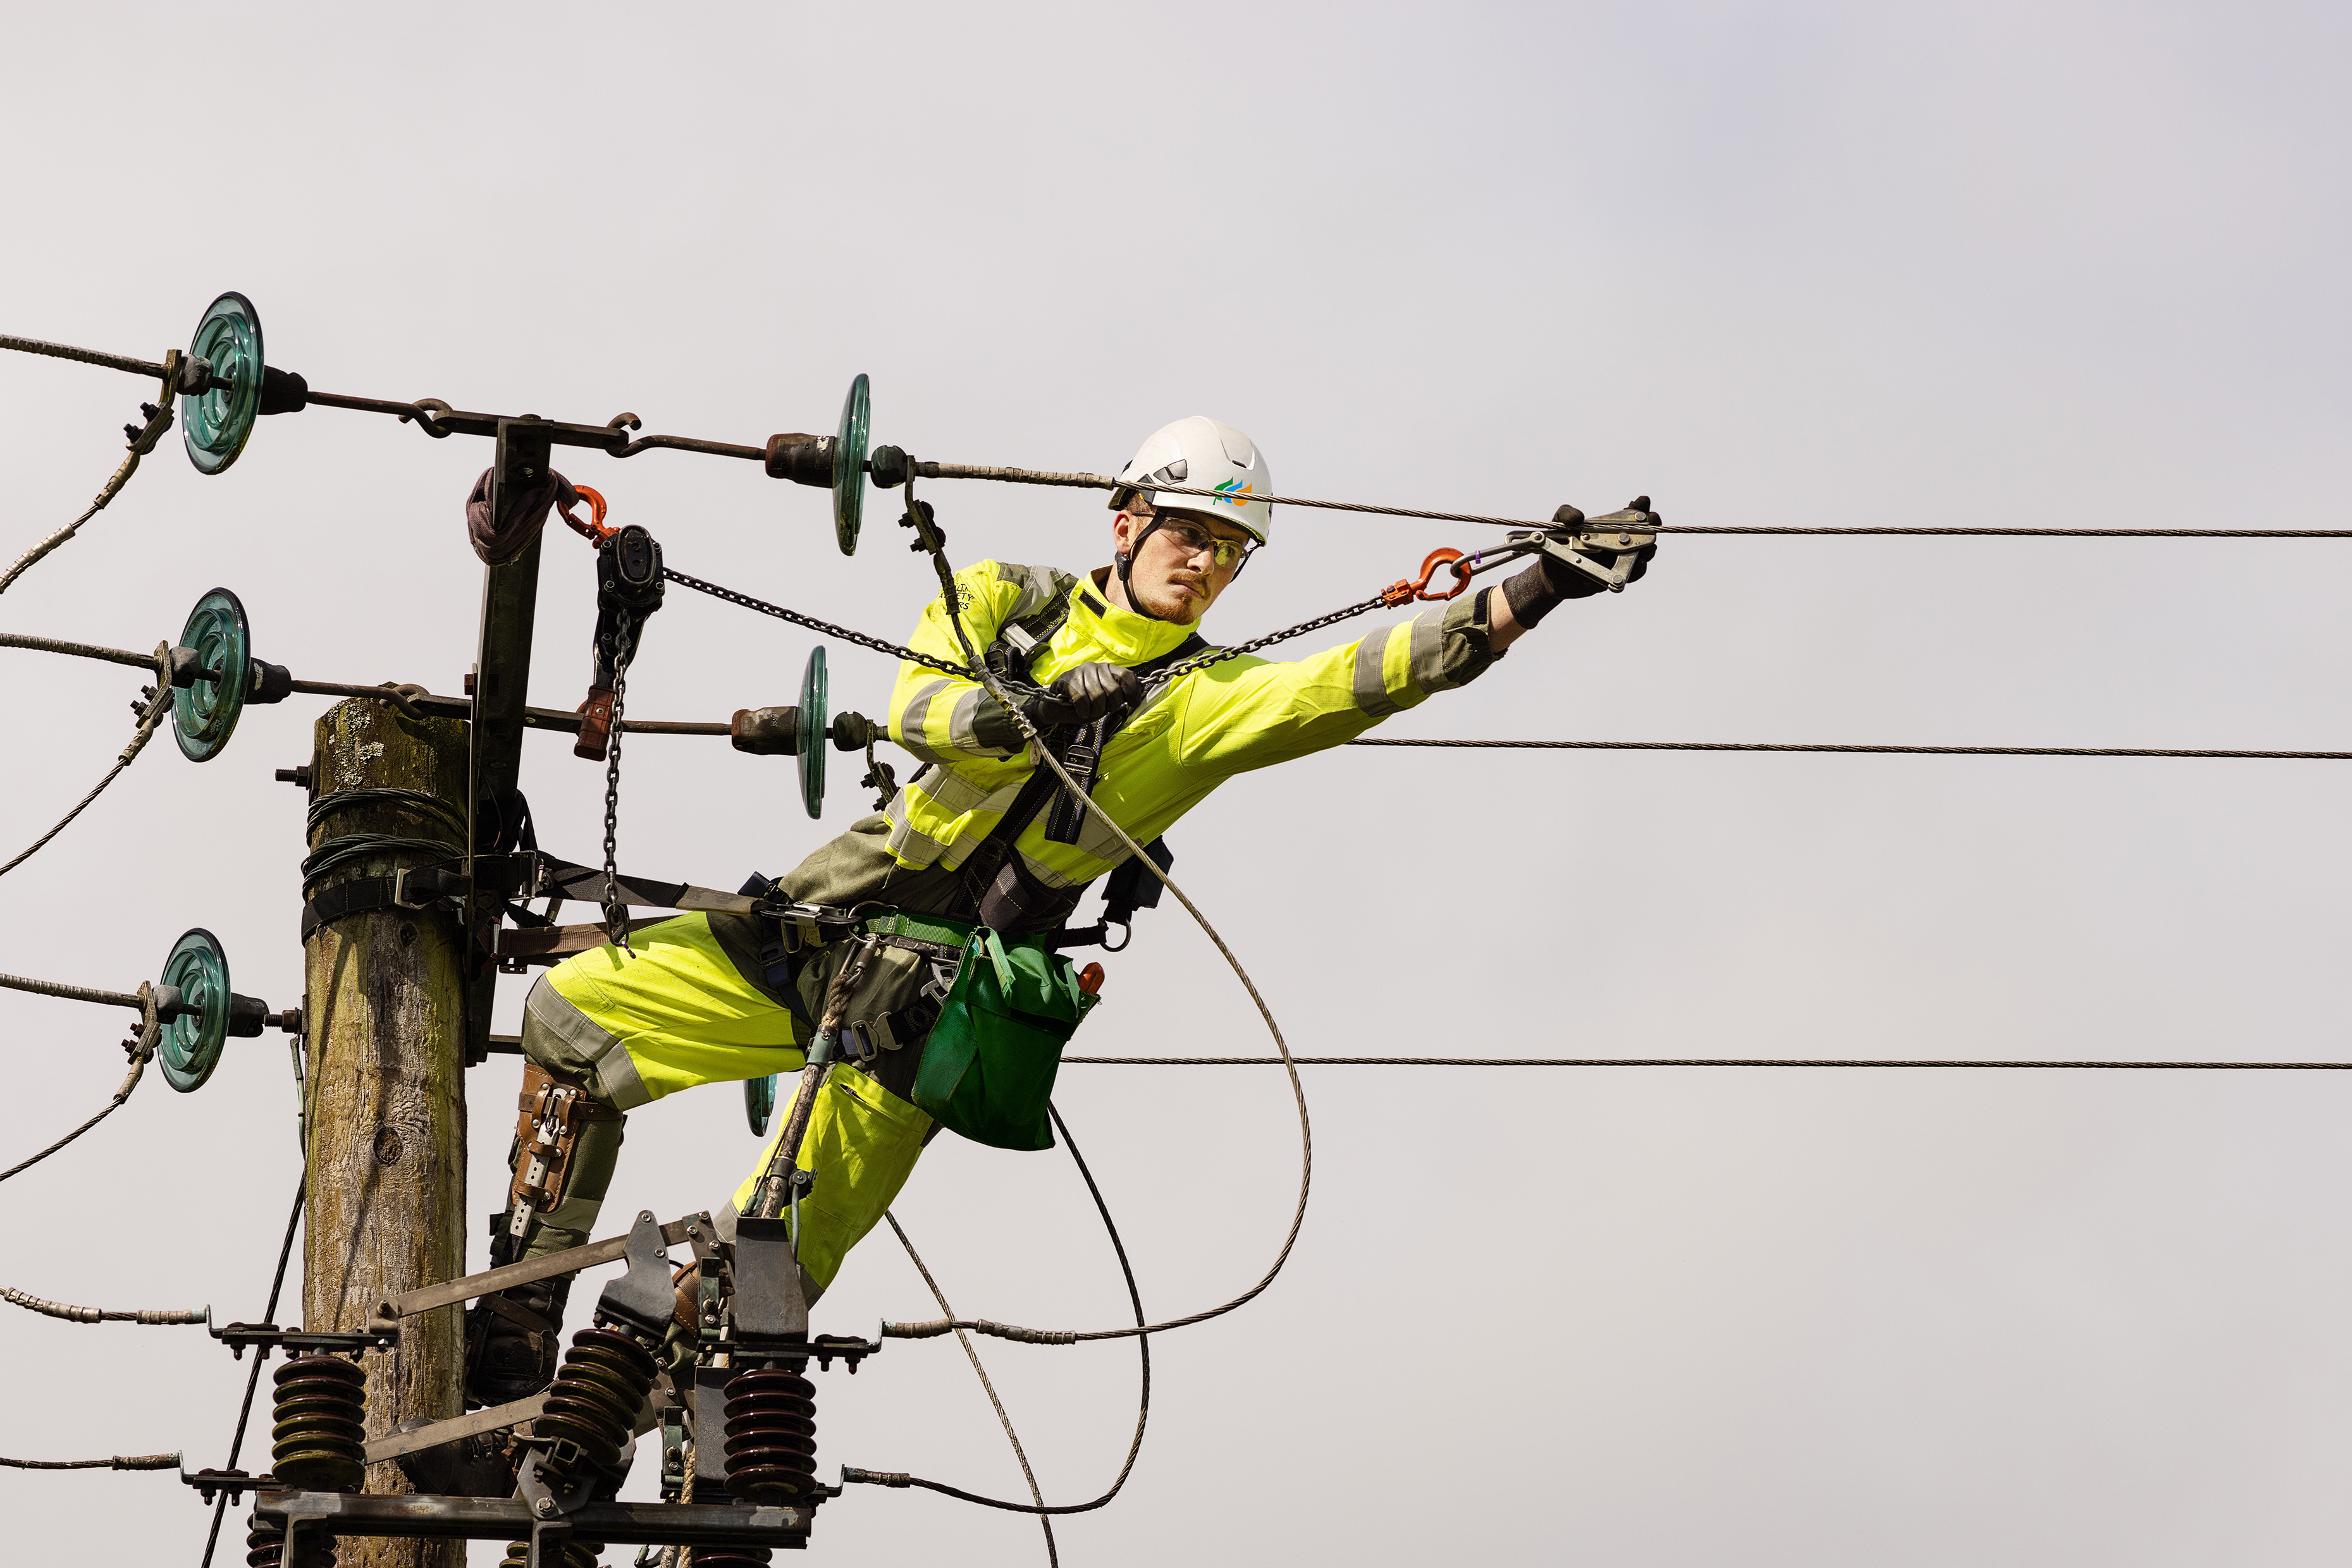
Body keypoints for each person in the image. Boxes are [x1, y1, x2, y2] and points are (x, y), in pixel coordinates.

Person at [463, 415, 1656, 1407]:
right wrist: (1031, 708)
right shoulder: (1003, 602)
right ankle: (512, 1328)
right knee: (571, 1021)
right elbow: (922, 712)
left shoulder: (1201, 704)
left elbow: (1355, 681)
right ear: (1128, 519)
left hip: (929, 1017)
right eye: (1191, 535)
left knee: (757, 1275)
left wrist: (1537, 586)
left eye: (1232, 554)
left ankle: (592, 1454)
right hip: (822, 931)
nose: (1207, 566)